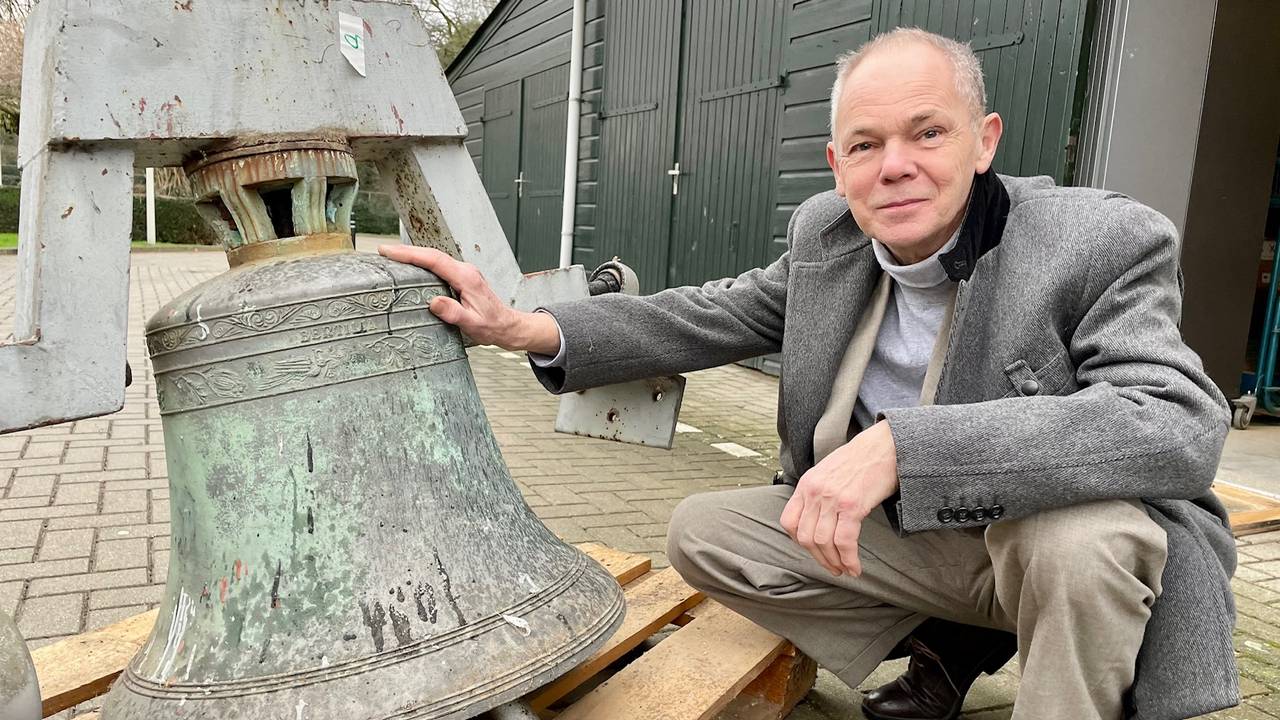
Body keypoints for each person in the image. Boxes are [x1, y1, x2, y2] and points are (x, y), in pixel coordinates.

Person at [380, 27, 1238, 720]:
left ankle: (1060, 678)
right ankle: (956, 641)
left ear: (984, 142)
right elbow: (711, 314)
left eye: (927, 132)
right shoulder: (828, 237)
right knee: (703, 534)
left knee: (1077, 546)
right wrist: (525, 325)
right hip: (928, 549)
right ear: (838, 164)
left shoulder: (1098, 241)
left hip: (1053, 543)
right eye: (865, 143)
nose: (893, 164)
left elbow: (1175, 421)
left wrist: (905, 447)